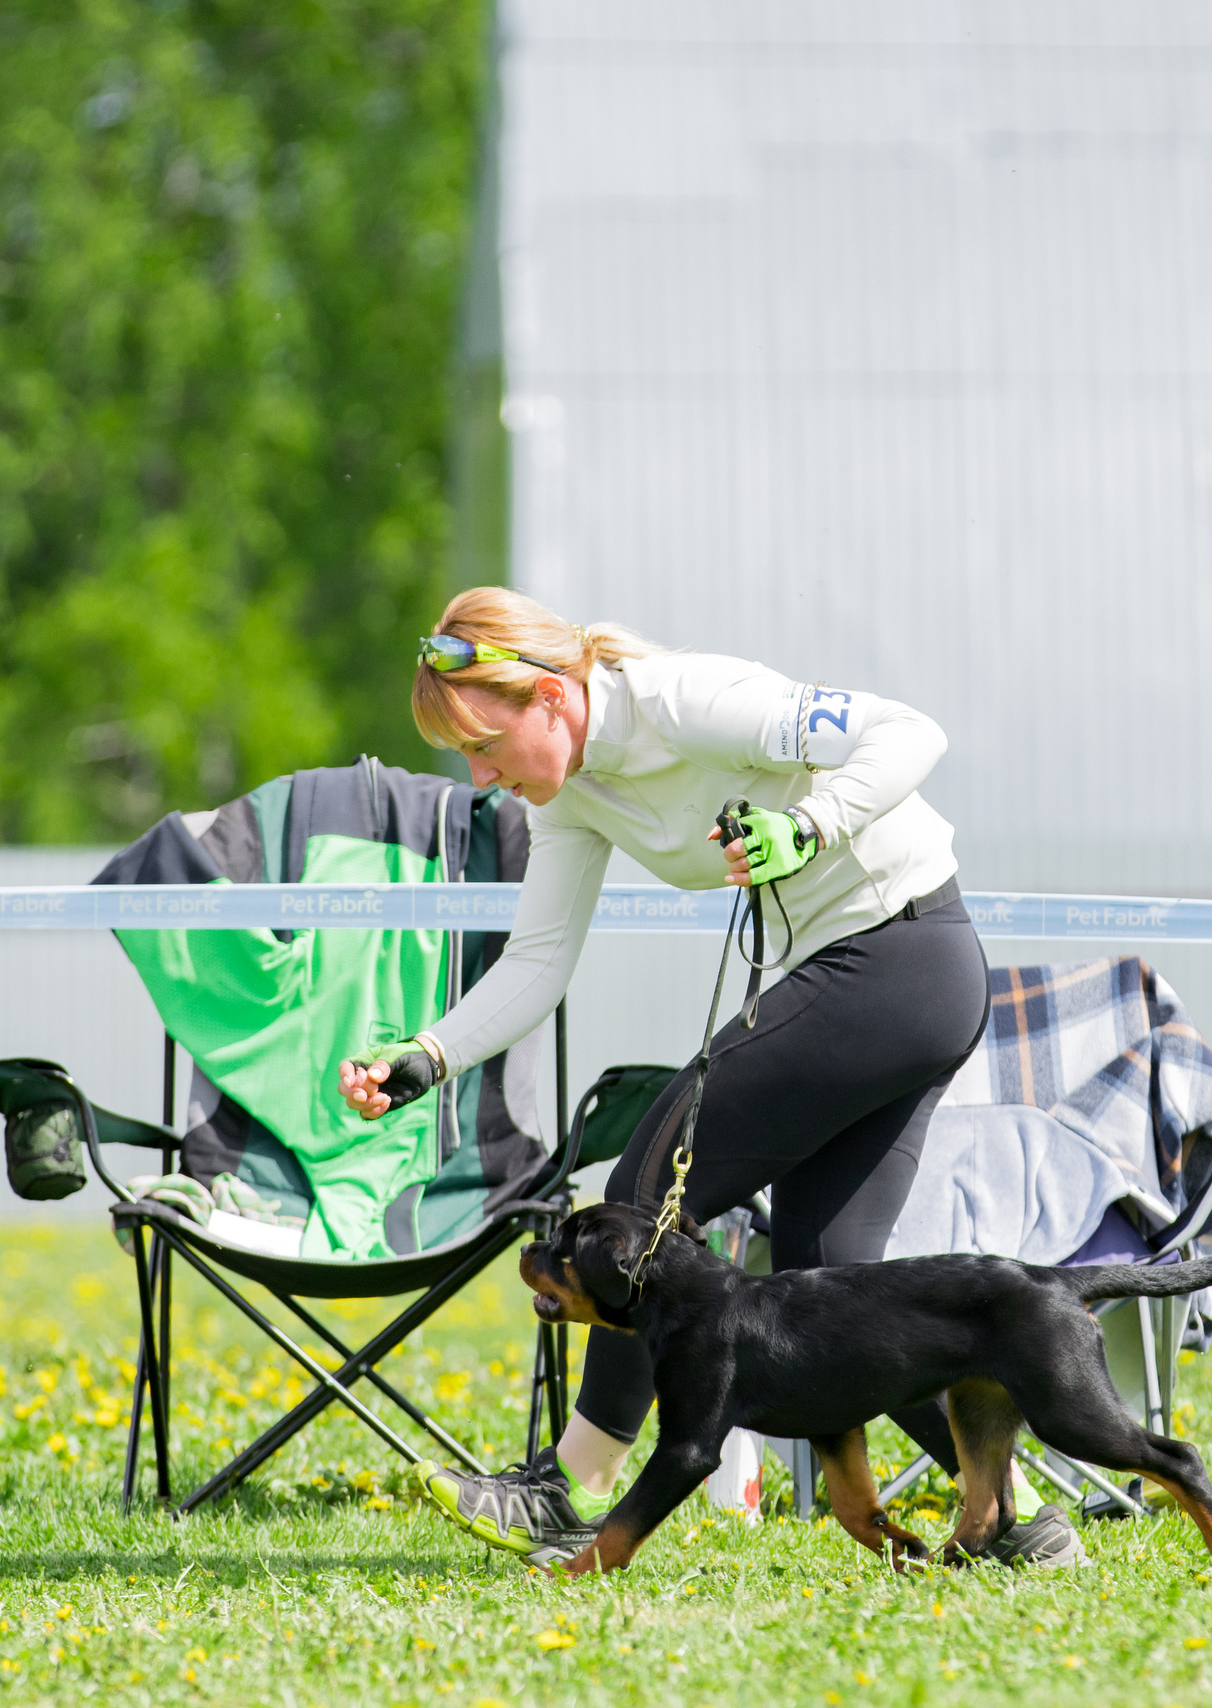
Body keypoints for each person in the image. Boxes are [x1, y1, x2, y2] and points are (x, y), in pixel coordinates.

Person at [337, 588, 1082, 1565]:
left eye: (484, 745)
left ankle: (570, 1486)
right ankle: (1018, 1522)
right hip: (891, 981)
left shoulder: (678, 699)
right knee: (833, 1290)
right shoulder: (570, 795)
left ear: (551, 699)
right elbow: (535, 963)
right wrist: (425, 1056)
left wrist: (808, 825)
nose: (478, 777)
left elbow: (910, 732)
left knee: (639, 1200)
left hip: (898, 964)